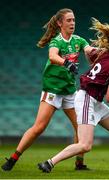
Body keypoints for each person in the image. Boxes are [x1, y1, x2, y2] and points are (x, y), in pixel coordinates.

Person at [37, 18, 109, 173]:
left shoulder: (108, 54)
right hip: (86, 99)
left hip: (94, 100)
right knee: (85, 145)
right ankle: (49, 163)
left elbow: (92, 62)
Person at [1, 8, 94, 171]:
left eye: (73, 20)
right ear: (60, 23)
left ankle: (79, 163)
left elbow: (88, 50)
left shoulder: (78, 40)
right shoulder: (56, 41)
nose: (72, 23)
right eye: (69, 20)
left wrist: (98, 51)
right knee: (39, 127)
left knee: (80, 127)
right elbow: (53, 56)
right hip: (53, 90)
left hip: (69, 91)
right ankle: (14, 158)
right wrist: (66, 63)